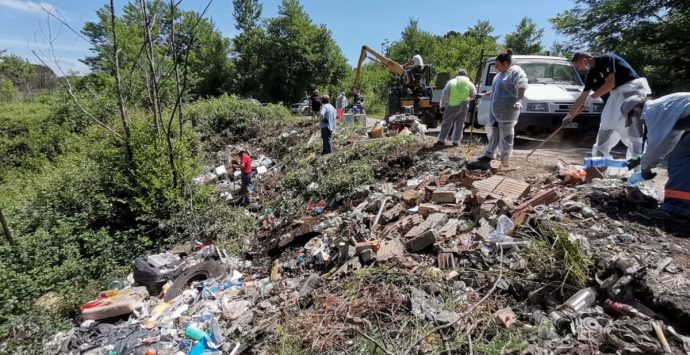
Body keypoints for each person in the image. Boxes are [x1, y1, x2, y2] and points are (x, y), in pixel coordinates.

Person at [564, 52, 651, 160]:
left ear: (584, 60)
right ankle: (600, 163)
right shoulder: (592, 74)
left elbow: (611, 84)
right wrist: (569, 116)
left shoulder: (607, 59)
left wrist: (592, 98)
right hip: (616, 96)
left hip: (632, 94)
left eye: (578, 66)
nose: (579, 69)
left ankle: (638, 165)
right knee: (607, 123)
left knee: (633, 129)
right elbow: (582, 96)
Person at [621, 93, 690, 221]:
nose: (636, 119)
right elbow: (670, 142)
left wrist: (645, 169)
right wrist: (642, 158)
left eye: (633, 115)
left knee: (679, 161)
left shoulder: (653, 111)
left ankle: (676, 208)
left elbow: (657, 145)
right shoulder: (664, 106)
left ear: (636, 108)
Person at [476, 49, 528, 168]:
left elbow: (521, 86)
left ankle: (505, 158)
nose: (496, 68)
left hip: (507, 110)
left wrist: (519, 100)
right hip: (496, 110)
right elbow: (496, 91)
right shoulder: (499, 75)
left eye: (498, 65)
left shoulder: (515, 72)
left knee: (506, 134)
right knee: (494, 132)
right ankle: (489, 154)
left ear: (505, 63)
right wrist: (484, 95)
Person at [435, 69, 476, 148]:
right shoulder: (470, 83)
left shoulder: (451, 82)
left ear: (457, 74)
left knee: (447, 122)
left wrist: (442, 105)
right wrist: (466, 98)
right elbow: (473, 95)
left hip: (452, 105)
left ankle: (441, 140)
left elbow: (445, 95)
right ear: (466, 75)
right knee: (460, 124)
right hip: (464, 105)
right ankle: (456, 141)